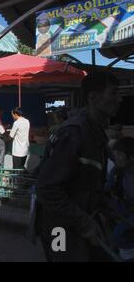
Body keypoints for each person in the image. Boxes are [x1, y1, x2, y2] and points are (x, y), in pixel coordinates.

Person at [36, 71, 122, 262]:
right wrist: (83, 221)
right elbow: (47, 189)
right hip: (59, 228)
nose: (120, 98)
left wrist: (107, 205)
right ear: (93, 97)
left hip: (82, 221)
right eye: (114, 93)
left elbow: (87, 181)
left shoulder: (95, 131)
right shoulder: (74, 133)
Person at [105, 137, 134, 261]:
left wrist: (117, 233)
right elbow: (104, 189)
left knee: (118, 237)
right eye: (114, 153)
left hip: (129, 219)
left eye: (119, 154)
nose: (115, 157)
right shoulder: (117, 171)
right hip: (124, 213)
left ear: (131, 157)